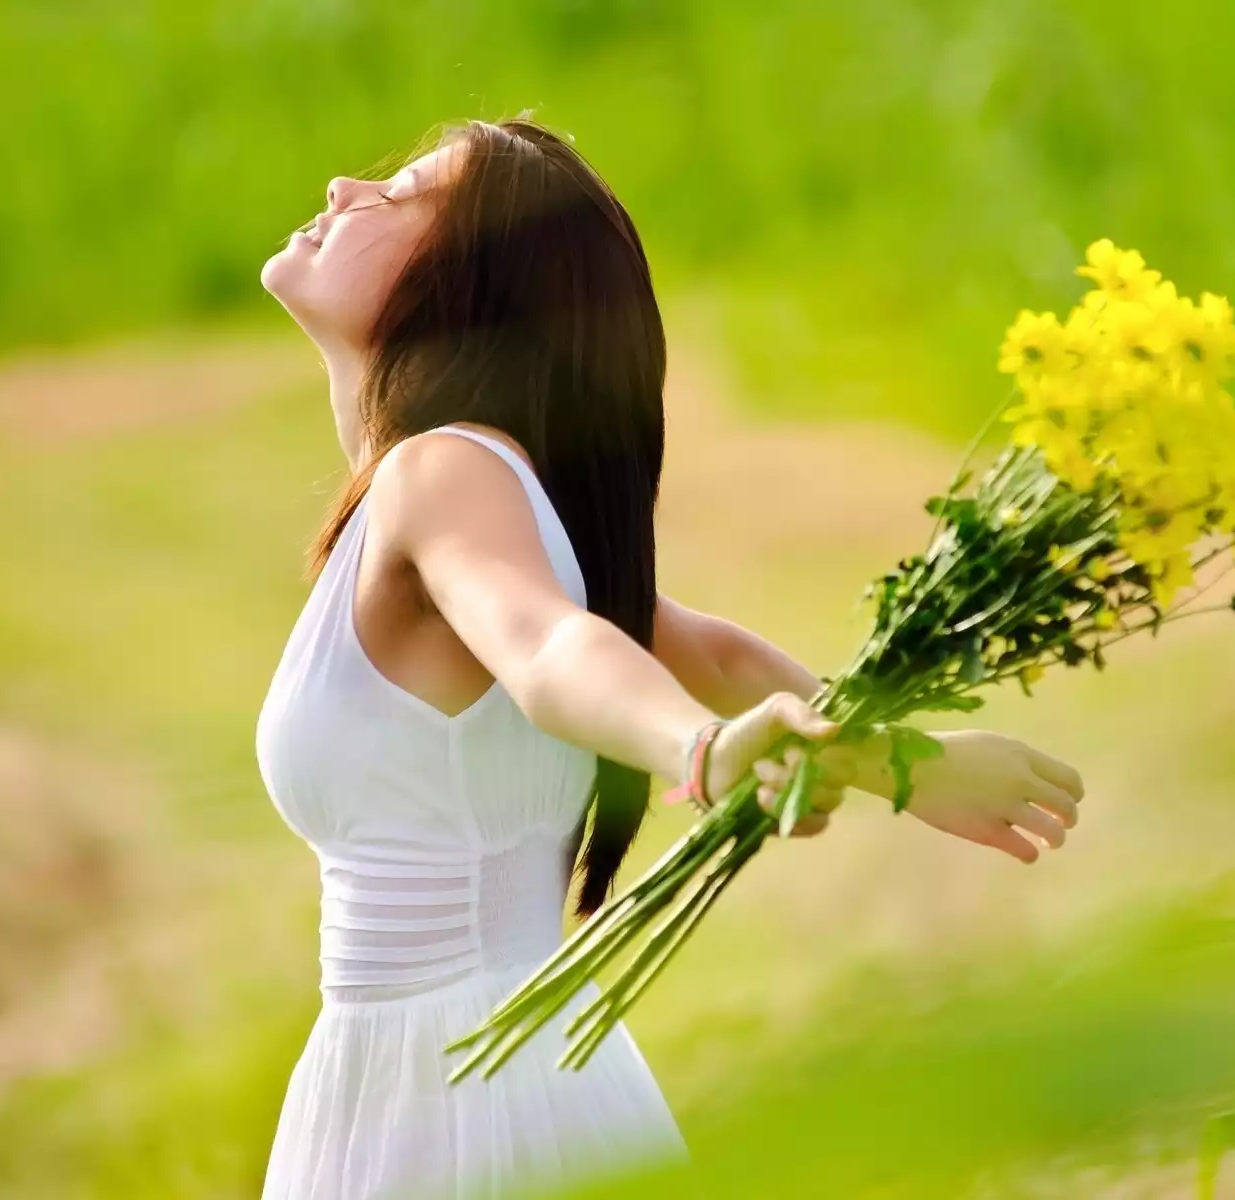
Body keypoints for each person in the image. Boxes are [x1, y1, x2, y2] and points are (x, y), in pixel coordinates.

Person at [253, 115, 1086, 1198]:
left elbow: (556, 650)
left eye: (400, 194)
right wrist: (905, 763)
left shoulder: (443, 475)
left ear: (463, 288)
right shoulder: (454, 489)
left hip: (453, 1090)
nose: (343, 186)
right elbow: (708, 650)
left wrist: (701, 752)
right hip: (464, 1070)